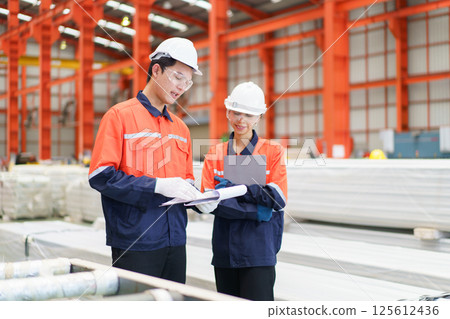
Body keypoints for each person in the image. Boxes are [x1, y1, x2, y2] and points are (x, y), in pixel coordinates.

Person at [88, 37, 203, 284]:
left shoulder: (181, 128)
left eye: (188, 80)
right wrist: (155, 186)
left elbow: (186, 180)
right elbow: (100, 176)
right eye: (178, 77)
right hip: (135, 241)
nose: (182, 86)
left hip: (175, 240)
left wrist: (201, 199)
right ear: (156, 69)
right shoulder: (120, 116)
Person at [200, 81, 288, 300]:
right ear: (228, 113)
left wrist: (230, 190)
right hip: (225, 252)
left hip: (259, 252)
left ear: (258, 117)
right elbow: (206, 201)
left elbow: (277, 199)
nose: (241, 120)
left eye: (249, 115)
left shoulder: (273, 151)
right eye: (237, 113)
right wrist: (258, 210)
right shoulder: (216, 152)